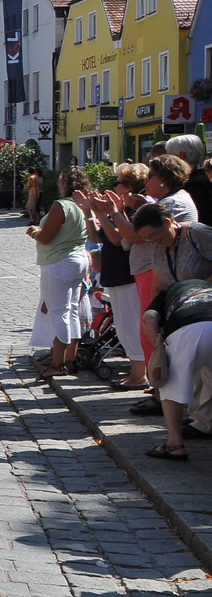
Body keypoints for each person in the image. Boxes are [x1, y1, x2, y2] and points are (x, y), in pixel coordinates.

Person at [81, 166, 151, 391]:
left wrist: (103, 212)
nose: (114, 186)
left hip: (127, 274)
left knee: (131, 325)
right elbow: (97, 237)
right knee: (123, 325)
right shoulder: (120, 210)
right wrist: (89, 211)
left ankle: (140, 374)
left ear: (128, 186)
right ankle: (137, 372)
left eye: (118, 182)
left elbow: (117, 239)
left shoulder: (132, 212)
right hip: (115, 273)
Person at [29, 166, 92, 378]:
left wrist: (34, 231)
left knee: (59, 313)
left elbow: (46, 237)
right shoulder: (82, 205)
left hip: (58, 260)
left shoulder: (62, 205)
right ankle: (69, 358)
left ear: (65, 183)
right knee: (72, 311)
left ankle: (58, 364)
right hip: (78, 258)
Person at [139, 278, 212, 461]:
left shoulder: (167, 292)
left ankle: (174, 444)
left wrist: (158, 345)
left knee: (170, 384)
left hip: (189, 327)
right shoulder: (207, 289)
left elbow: (148, 318)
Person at [162, 135, 212, 224]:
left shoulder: (193, 184)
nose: (166, 161)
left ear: (181, 156)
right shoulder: (202, 179)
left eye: (169, 156)